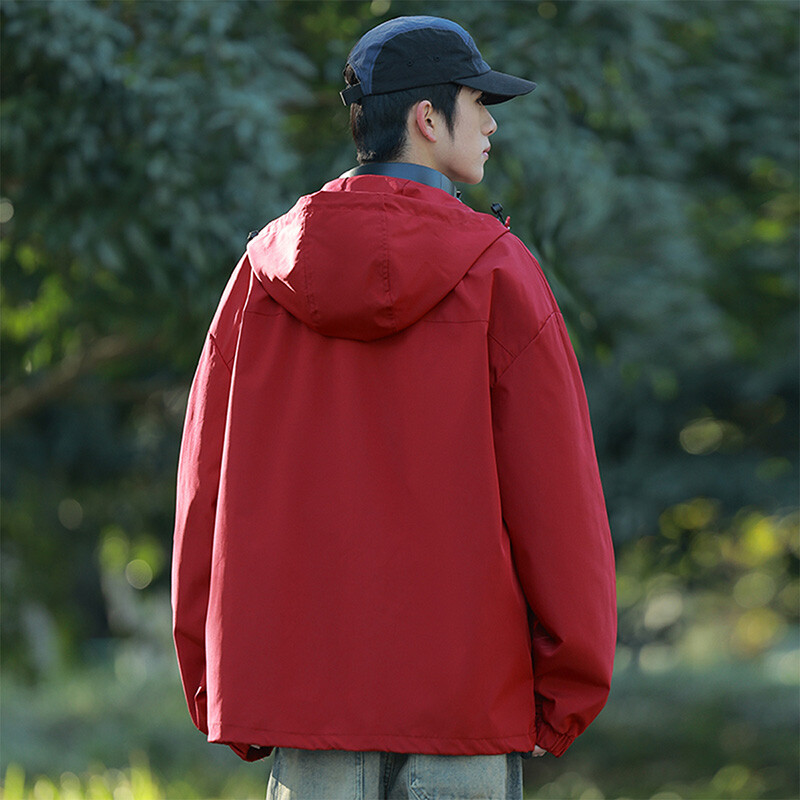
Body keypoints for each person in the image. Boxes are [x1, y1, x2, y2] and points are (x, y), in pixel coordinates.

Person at [171, 15, 617, 800]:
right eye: (478, 103)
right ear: (427, 118)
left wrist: (221, 684)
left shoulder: (261, 275)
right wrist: (565, 697)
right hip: (467, 708)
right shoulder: (500, 273)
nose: (491, 125)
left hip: (307, 713)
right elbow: (558, 503)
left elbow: (203, 495)